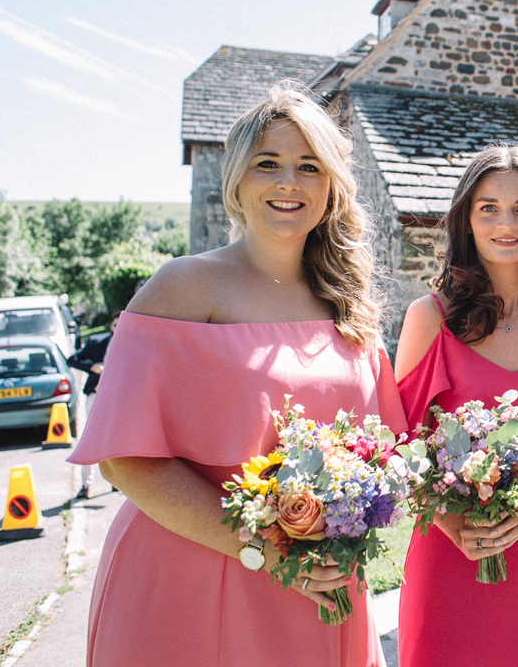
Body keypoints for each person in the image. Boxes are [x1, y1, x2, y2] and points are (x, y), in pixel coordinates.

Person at [68, 82, 406, 667]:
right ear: (236, 182)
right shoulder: (182, 287)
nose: (288, 183)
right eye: (267, 164)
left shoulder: (348, 304)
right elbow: (125, 460)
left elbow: (384, 450)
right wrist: (267, 553)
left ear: (331, 184)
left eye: (309, 166)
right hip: (189, 574)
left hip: (320, 583)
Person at [394, 145, 518, 667]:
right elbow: (400, 445)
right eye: (488, 208)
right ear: (467, 220)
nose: (506, 222)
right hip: (450, 551)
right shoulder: (429, 318)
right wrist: (451, 523)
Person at [69, 310, 120, 499]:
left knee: (117, 440)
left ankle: (117, 481)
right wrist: (92, 367)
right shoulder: (97, 342)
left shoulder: (133, 346)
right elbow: (72, 359)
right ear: (111, 326)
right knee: (90, 439)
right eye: (116, 325)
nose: (118, 329)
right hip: (96, 395)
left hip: (119, 399)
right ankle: (85, 485)